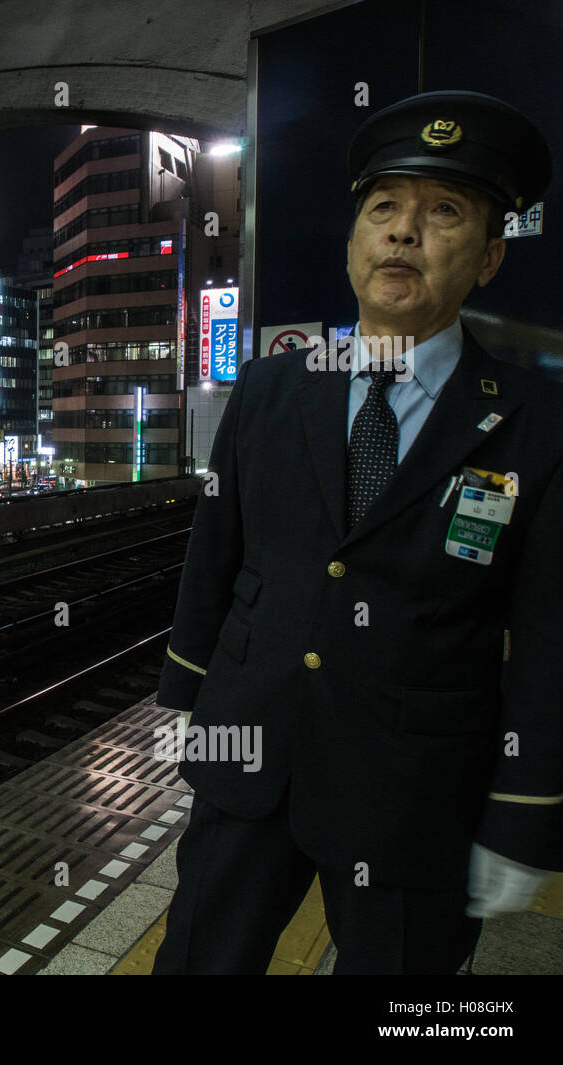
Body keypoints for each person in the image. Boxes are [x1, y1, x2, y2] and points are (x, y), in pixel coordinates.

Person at [153, 91, 561, 974]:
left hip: (414, 797)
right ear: (352, 245)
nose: (403, 233)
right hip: (249, 754)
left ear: (489, 258)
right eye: (384, 209)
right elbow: (214, 557)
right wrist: (185, 705)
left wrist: (523, 813)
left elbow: (549, 641)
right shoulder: (270, 388)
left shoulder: (538, 425)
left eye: (443, 212)